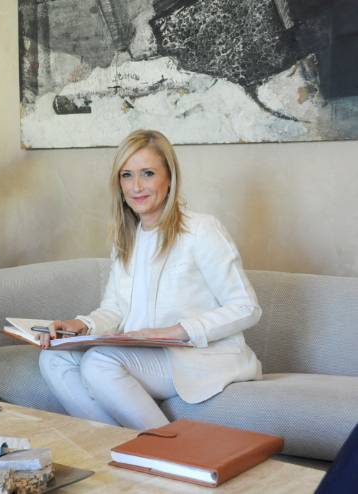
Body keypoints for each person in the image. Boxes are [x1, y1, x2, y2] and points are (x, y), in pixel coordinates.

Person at [38, 129, 262, 430]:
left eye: (147, 173)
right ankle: (118, 447)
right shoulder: (126, 238)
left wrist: (175, 331)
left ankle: (165, 448)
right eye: (127, 175)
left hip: (197, 356)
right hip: (142, 354)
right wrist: (81, 325)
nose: (136, 186)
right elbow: (115, 310)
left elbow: (246, 307)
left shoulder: (201, 230)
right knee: (53, 358)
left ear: (169, 178)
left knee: (99, 362)